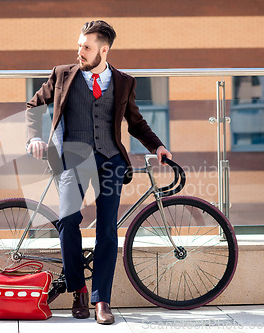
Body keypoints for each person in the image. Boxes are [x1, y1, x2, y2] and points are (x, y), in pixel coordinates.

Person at [26, 20, 171, 325]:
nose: (80, 51)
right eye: (79, 45)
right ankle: (78, 289)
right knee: (67, 220)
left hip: (110, 159)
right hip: (72, 158)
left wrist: (157, 146)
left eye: (87, 47)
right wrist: (34, 137)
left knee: (106, 229)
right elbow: (35, 105)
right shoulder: (62, 74)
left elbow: (136, 122)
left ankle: (101, 300)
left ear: (103, 50)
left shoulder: (124, 81)